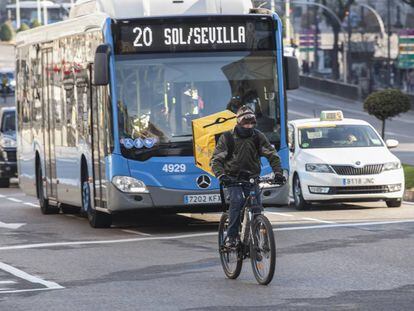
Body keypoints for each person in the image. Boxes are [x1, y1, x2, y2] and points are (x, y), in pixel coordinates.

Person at [210, 106, 286, 247]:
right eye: (246, 123)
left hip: (252, 178)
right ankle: (232, 237)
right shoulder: (227, 137)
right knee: (237, 201)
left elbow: (272, 155)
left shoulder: (257, 136)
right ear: (238, 122)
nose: (249, 126)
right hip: (233, 179)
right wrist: (221, 175)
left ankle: (255, 241)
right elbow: (216, 160)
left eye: (252, 123)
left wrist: (278, 173)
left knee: (257, 208)